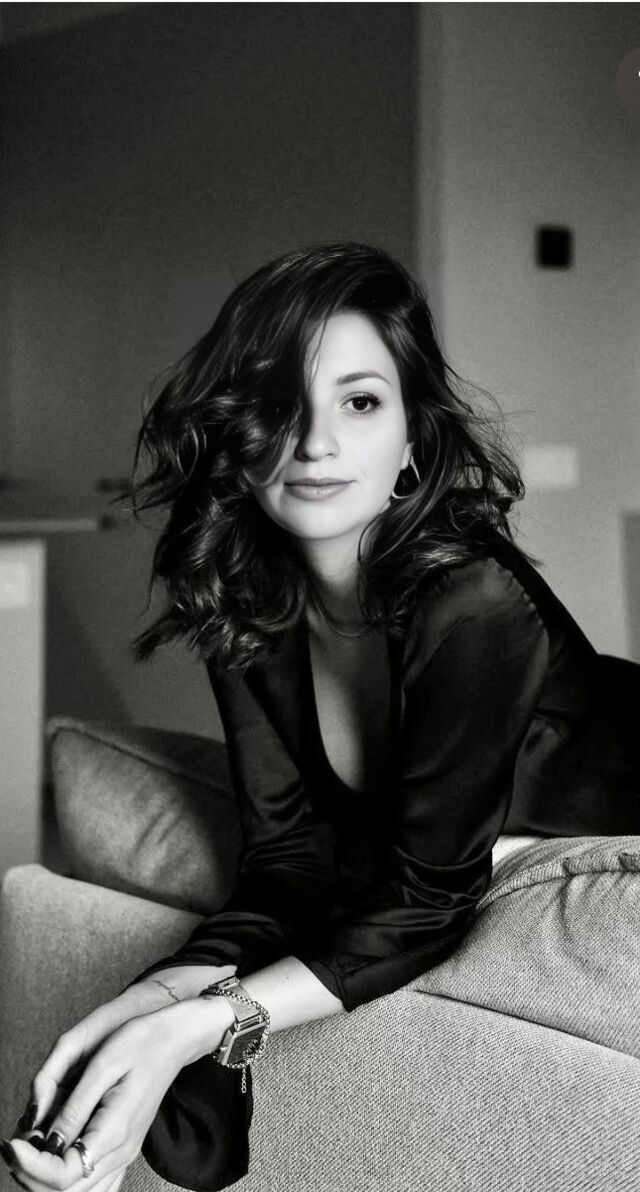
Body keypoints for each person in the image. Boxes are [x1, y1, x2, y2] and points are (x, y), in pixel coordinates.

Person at [2, 242, 639, 1192]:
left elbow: (428, 898)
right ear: (238, 432)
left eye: (361, 402)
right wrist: (146, 1010)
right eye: (278, 403)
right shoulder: (241, 592)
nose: (315, 443)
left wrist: (206, 1022)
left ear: (414, 438)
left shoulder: (473, 601)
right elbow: (287, 862)